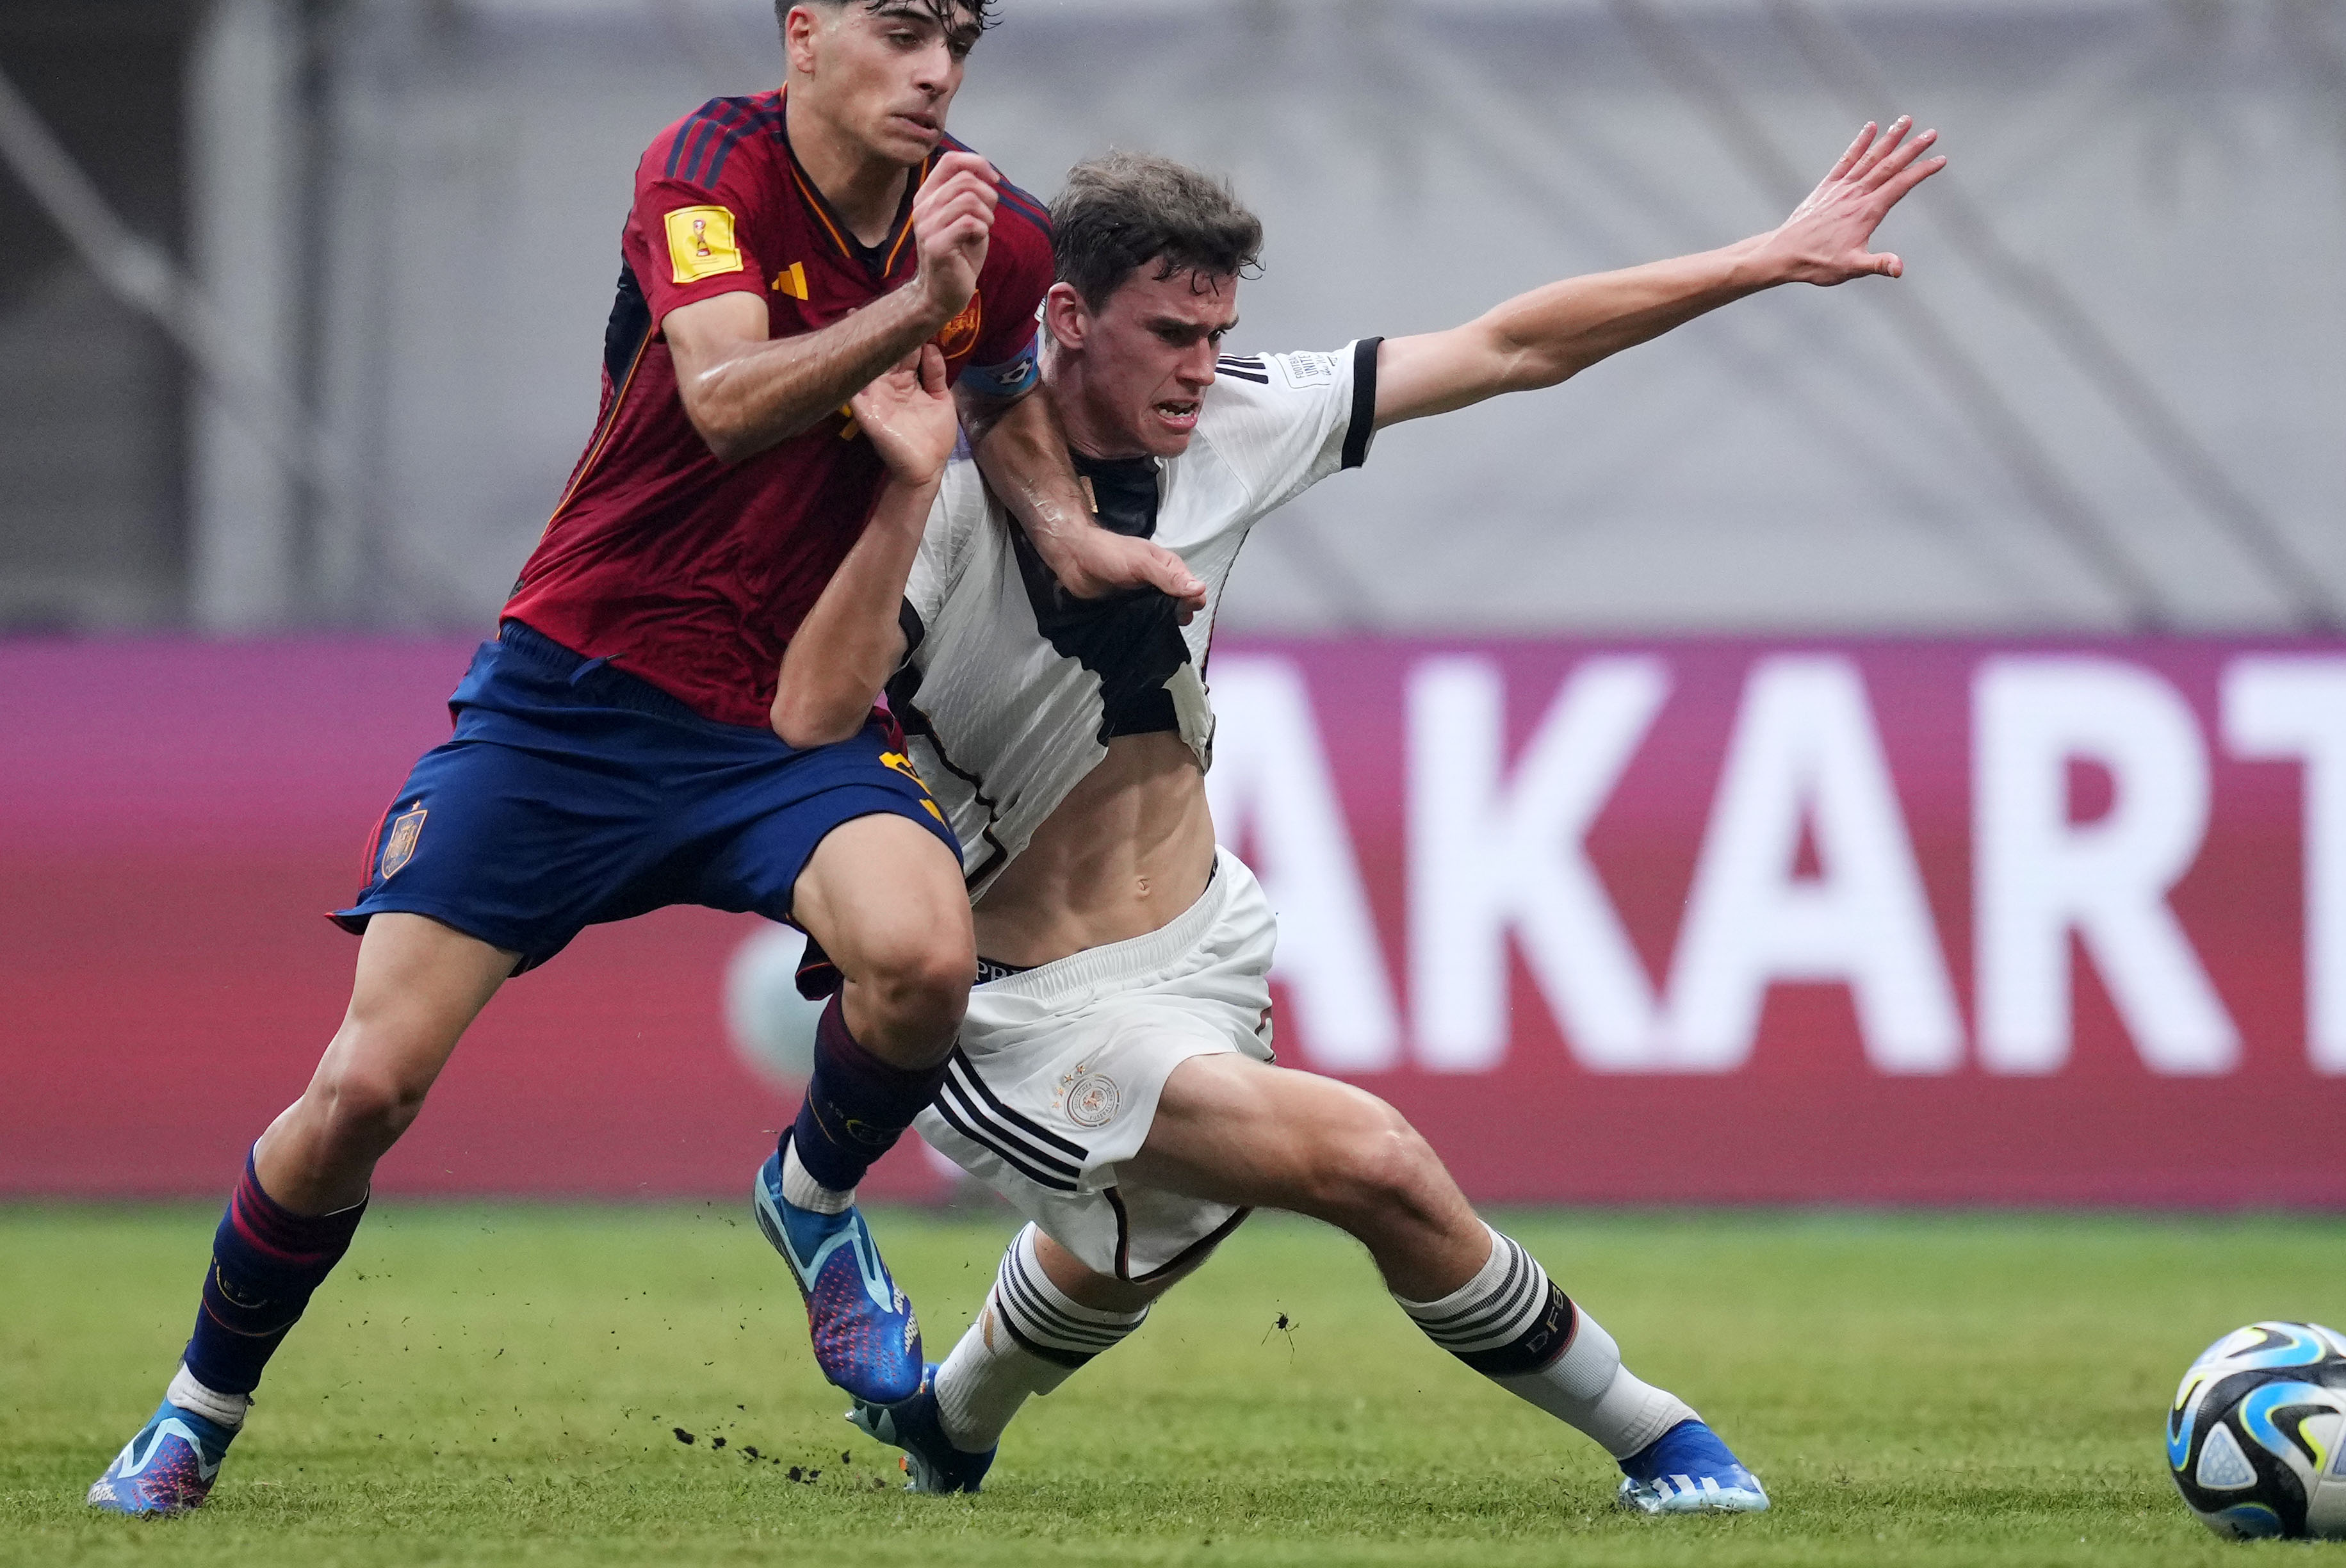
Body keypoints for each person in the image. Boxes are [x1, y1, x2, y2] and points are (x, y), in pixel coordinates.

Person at [88, 0, 1200, 1517]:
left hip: (787, 718)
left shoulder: (990, 231)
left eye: (960, 36)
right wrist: (915, 299)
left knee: (923, 957)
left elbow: (997, 391)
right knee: (366, 1090)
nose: (936, 70)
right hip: (574, 703)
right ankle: (196, 1410)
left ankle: (808, 1204)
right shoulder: (711, 167)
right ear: (806, 33)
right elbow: (726, 400)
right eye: (900, 29)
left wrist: (1065, 528)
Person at [769, 121, 1946, 1514]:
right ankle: (1661, 1438)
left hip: (1204, 947)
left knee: (1154, 1236)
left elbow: (1510, 345)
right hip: (1023, 1012)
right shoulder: (942, 499)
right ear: (1066, 320)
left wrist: (1758, 258)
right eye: (1169, 333)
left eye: (1218, 330)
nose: (1202, 367)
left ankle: (953, 1426)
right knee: (1366, 1160)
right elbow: (806, 707)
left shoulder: (1246, 415)